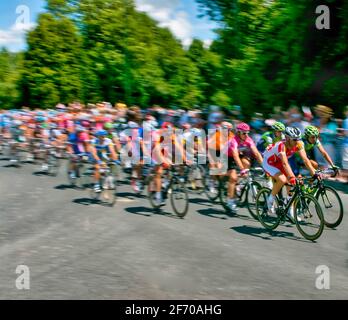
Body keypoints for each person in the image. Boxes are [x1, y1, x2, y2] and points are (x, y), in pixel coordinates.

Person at [262, 127, 318, 222]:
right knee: (283, 180)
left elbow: (306, 160)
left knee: (293, 185)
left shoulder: (299, 144)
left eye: (298, 139)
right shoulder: (281, 145)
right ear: (287, 138)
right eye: (294, 139)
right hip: (269, 162)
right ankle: (270, 199)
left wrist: (315, 174)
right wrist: (292, 177)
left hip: (280, 162)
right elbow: (285, 163)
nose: (297, 141)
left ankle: (290, 209)